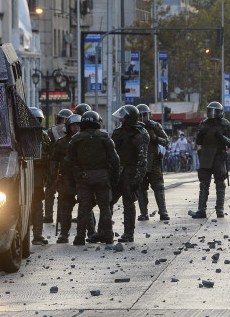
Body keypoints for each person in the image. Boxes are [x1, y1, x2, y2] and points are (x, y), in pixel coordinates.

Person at [66, 110, 119, 245]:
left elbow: (68, 160)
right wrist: (114, 177)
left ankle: (80, 237)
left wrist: (74, 176)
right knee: (105, 207)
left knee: (84, 207)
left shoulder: (76, 138)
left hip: (84, 177)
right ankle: (108, 235)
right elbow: (115, 159)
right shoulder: (104, 137)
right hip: (102, 176)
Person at [111, 105, 149, 243]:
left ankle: (128, 233)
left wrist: (137, 179)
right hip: (118, 171)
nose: (121, 119)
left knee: (128, 203)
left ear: (129, 118)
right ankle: (105, 231)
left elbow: (142, 159)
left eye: (124, 117)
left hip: (131, 171)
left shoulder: (140, 134)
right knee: (108, 201)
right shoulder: (117, 132)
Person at [192, 101, 230, 219]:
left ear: (220, 112)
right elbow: (198, 141)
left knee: (220, 183)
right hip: (205, 156)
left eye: (215, 111)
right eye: (210, 111)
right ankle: (201, 209)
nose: (213, 114)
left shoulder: (226, 125)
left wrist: (221, 137)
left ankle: (219, 209)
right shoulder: (203, 124)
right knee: (203, 184)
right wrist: (200, 135)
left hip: (218, 157)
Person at [137, 104, 170, 221]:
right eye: (139, 115)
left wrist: (156, 138)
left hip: (154, 161)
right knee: (141, 189)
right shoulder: (134, 128)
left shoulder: (155, 126)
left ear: (148, 115)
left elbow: (166, 141)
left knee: (159, 186)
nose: (142, 118)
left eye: (144, 115)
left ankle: (163, 211)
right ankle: (143, 213)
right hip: (139, 162)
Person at [52, 113, 81, 243]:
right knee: (65, 206)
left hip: (82, 178)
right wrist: (53, 177)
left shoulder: (85, 139)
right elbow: (54, 160)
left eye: (78, 125)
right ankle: (64, 234)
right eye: (73, 125)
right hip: (67, 178)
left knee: (85, 207)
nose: (75, 128)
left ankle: (89, 232)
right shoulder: (61, 142)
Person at [44, 108, 72, 223]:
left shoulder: (72, 135)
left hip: (62, 165)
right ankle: (51, 215)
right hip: (54, 164)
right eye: (62, 119)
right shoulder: (52, 132)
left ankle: (57, 215)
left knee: (59, 191)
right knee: (51, 190)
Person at [28, 107, 50, 245]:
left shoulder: (44, 137)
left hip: (36, 178)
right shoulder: (22, 135)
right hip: (28, 177)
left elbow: (49, 158)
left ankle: (37, 235)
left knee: (36, 207)